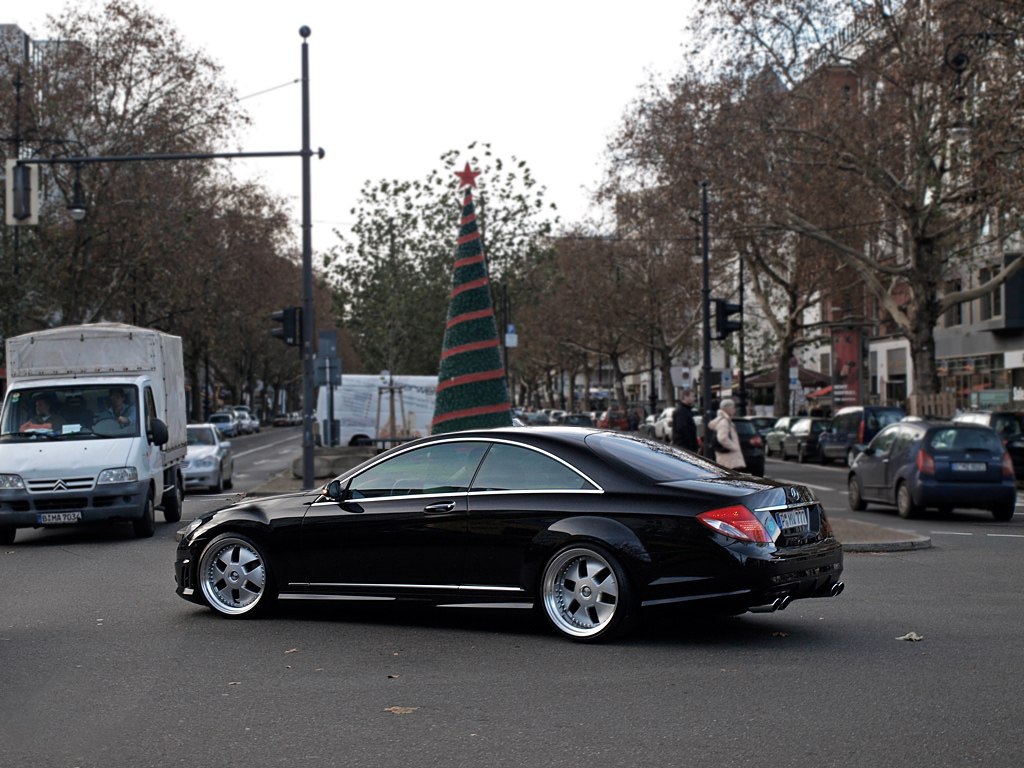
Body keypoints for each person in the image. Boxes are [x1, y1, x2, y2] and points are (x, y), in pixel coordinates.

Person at [707, 398, 746, 471]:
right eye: (733, 407)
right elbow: (722, 438)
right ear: (727, 409)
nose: (734, 409)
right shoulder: (724, 422)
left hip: (728, 459)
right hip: (730, 461)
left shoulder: (725, 420)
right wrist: (734, 447)